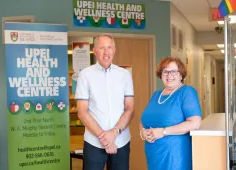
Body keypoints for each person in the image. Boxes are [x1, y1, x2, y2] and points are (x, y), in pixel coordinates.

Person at [75, 33, 134, 170]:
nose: (106, 52)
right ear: (95, 51)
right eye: (102, 48)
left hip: (121, 141)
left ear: (114, 50)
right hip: (94, 142)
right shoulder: (85, 75)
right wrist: (104, 138)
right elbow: (82, 112)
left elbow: (130, 109)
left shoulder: (124, 75)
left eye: (109, 47)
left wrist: (114, 133)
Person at [139, 56, 202, 170]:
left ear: (181, 74)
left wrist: (163, 132)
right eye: (165, 72)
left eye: (173, 71)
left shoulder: (187, 92)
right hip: (154, 154)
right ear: (160, 75)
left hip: (175, 155)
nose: (169, 75)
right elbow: (144, 121)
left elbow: (194, 123)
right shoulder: (156, 95)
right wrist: (143, 132)